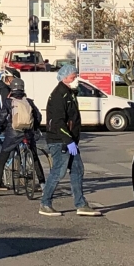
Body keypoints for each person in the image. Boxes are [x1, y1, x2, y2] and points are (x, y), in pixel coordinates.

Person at [39, 64, 102, 217]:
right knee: (58, 172)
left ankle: (81, 204)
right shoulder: (59, 95)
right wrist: (68, 141)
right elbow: (59, 122)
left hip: (69, 140)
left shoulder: (69, 93)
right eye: (74, 77)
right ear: (65, 78)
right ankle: (45, 203)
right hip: (59, 140)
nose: (76, 79)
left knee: (77, 169)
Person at [0, 77, 46, 196]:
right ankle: (43, 186)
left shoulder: (9, 102)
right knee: (35, 159)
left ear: (12, 89)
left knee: (3, 158)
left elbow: (2, 117)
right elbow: (38, 116)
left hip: (13, 133)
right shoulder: (29, 101)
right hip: (28, 132)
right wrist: (34, 128)